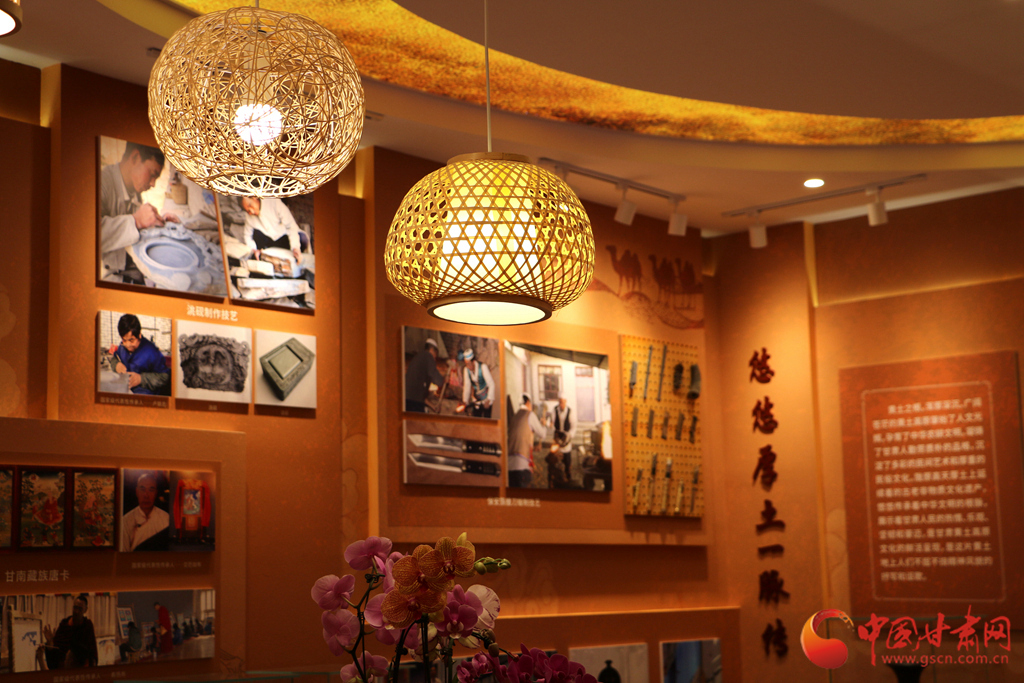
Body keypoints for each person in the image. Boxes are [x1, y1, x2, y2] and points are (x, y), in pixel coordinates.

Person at [99, 142, 179, 283]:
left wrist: (159, 222)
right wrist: (136, 220)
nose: (153, 184)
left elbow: (136, 231)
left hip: (136, 272)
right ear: (135, 157)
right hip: (109, 277)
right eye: (152, 174)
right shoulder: (100, 182)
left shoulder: (133, 188)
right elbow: (88, 237)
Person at [106, 313, 170, 395]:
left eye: (131, 340)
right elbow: (114, 358)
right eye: (124, 340)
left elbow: (165, 377)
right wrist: (116, 365)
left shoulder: (151, 351)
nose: (127, 345)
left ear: (139, 335)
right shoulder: (122, 347)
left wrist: (141, 379)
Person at [240, 196, 304, 263]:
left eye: (250, 205)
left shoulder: (273, 202)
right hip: (268, 243)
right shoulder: (249, 217)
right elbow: (247, 235)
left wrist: (295, 247)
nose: (251, 211)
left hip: (284, 238)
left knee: (302, 239)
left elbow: (291, 226)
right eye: (248, 210)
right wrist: (254, 250)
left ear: (254, 198)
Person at [42, 594, 98, 669]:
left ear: (85, 610)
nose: (76, 611)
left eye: (80, 609)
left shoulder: (87, 626)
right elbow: (55, 652)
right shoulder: (64, 624)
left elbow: (92, 653)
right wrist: (50, 642)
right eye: (75, 608)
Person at [120, 471, 170, 551]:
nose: (146, 495)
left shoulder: (166, 518)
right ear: (137, 492)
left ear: (156, 493)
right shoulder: (126, 521)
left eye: (151, 490)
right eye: (142, 489)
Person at [507, 395, 545, 488]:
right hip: (521, 466)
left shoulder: (515, 417)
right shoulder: (530, 415)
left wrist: (533, 447)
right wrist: (543, 425)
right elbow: (542, 434)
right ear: (528, 402)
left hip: (509, 467)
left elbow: (520, 440)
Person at [404, 338, 446, 412]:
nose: (435, 358)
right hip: (414, 404)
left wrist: (433, 406)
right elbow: (438, 380)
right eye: (436, 354)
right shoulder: (428, 356)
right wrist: (444, 379)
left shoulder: (418, 358)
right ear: (432, 350)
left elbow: (420, 395)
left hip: (408, 401)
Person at [459, 348, 495, 418]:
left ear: (473, 361)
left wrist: (489, 399)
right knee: (476, 418)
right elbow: (467, 386)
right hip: (476, 399)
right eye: (466, 364)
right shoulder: (466, 370)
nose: (468, 366)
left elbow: (491, 384)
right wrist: (465, 401)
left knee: (487, 419)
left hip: (486, 398)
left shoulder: (483, 367)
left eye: (469, 364)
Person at [551, 394, 575, 480]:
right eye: (560, 402)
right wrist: (550, 426)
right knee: (555, 461)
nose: (561, 404)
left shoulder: (570, 411)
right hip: (557, 440)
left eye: (563, 402)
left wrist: (569, 435)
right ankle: (556, 479)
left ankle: (568, 477)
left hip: (566, 441)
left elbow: (573, 426)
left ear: (566, 401)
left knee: (567, 461)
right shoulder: (554, 410)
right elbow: (552, 423)